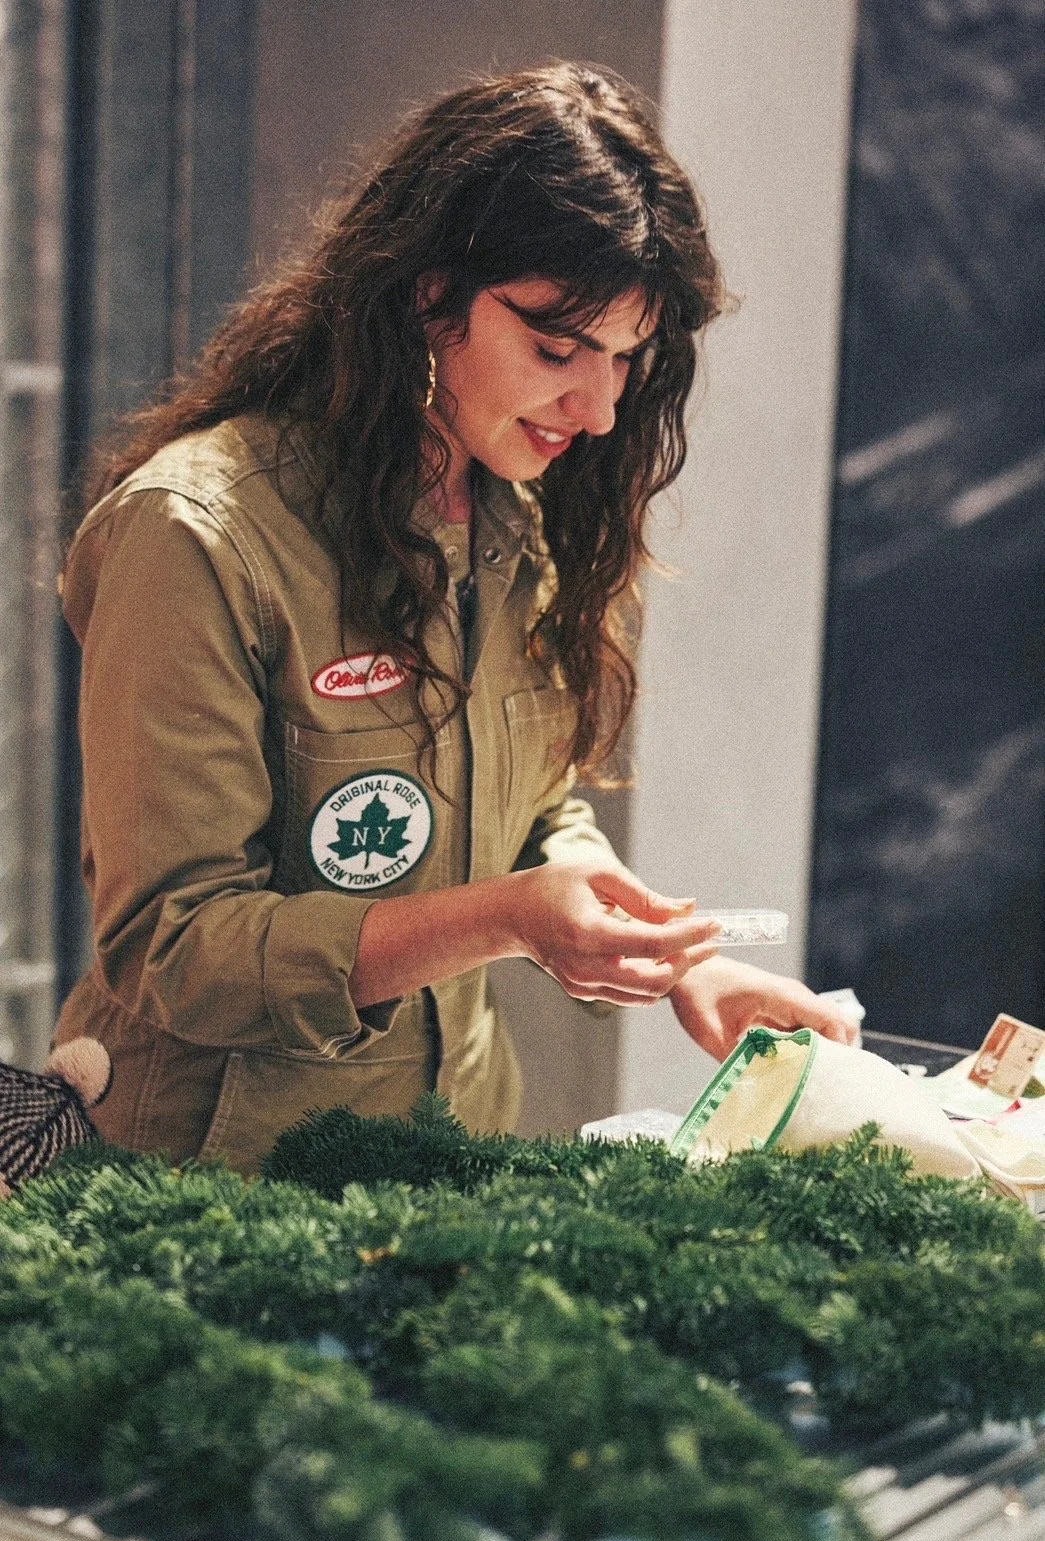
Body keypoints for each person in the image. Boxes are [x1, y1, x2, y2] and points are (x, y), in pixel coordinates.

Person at [54, 63, 854, 1175]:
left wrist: (680, 966)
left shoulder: (511, 514)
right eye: (558, 347)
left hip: (448, 1154)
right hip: (209, 1186)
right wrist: (512, 917)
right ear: (428, 296)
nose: (601, 407)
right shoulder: (195, 536)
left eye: (628, 359)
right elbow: (178, 951)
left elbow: (521, 801)